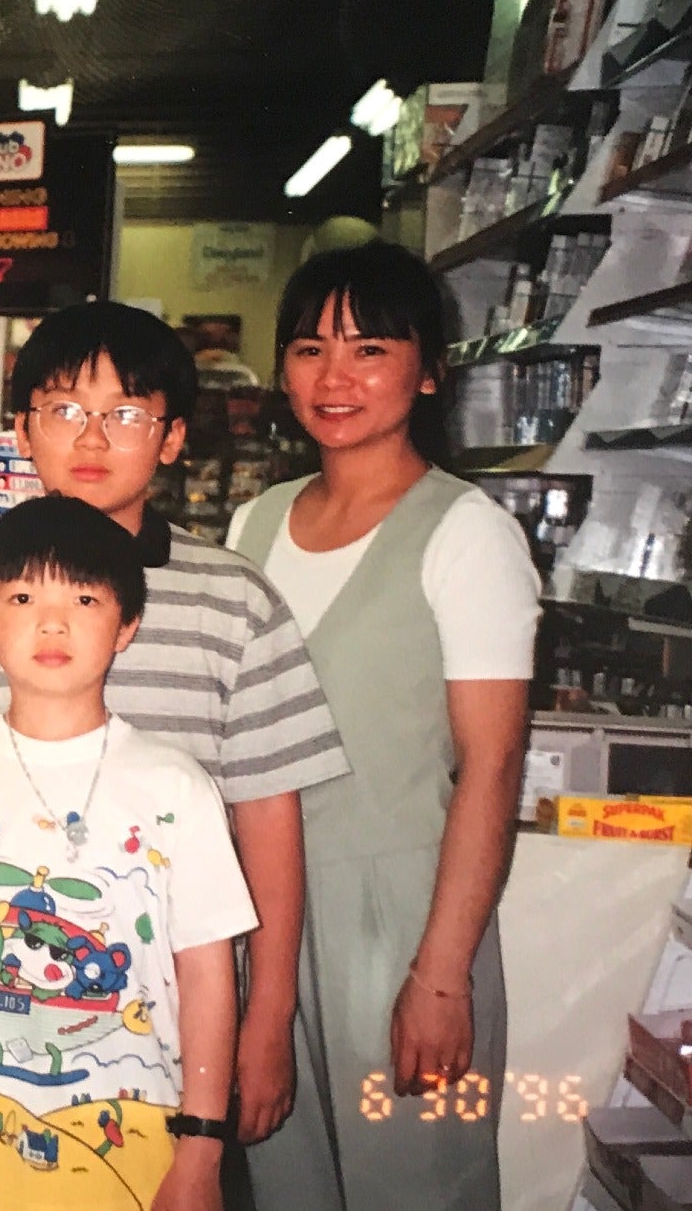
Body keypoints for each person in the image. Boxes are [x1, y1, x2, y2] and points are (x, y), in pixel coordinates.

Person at [0, 302, 349, 1159]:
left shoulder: (233, 598)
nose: (92, 438)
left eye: (126, 414)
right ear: (22, 429)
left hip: (178, 1030)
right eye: (64, 409)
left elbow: (268, 815)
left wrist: (269, 1019)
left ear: (173, 437)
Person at [226, 240, 538, 1211]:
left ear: (429, 370)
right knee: (286, 1182)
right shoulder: (254, 525)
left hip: (400, 918)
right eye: (310, 349)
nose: (335, 377)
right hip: (265, 915)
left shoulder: (466, 532)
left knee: (414, 1180)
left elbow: (492, 763)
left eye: (369, 349)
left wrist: (442, 973)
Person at [0, 495, 259, 1211]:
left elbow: (209, 977)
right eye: (22, 597)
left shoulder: (176, 786)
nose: (52, 622)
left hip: (138, 1169)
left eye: (84, 599)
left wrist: (203, 1145)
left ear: (127, 626)